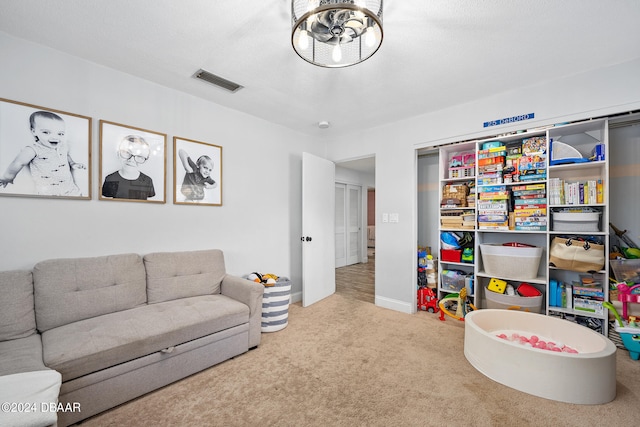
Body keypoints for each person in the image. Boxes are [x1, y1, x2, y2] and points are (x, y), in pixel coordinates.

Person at [0, 110, 85, 196]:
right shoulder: (33, 149)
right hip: (48, 191)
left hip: (70, 189)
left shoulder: (62, 146)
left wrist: (73, 163)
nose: (55, 137)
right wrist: (7, 177)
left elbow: (66, 156)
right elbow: (18, 163)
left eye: (60, 134)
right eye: (46, 132)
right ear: (34, 131)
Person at [102, 135, 155, 200]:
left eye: (139, 156)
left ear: (145, 159)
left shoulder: (147, 180)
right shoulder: (110, 179)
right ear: (118, 153)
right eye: (127, 152)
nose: (131, 160)